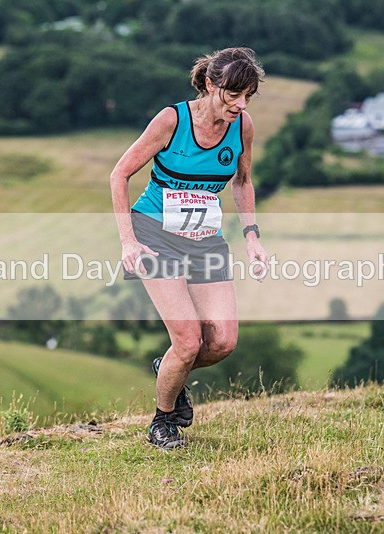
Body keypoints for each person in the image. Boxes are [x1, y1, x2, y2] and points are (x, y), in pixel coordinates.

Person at [110, 47, 268, 450]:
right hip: (155, 235)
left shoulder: (242, 126)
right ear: (211, 85)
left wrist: (252, 238)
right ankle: (162, 423)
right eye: (233, 95)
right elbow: (120, 174)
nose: (240, 104)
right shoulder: (172, 120)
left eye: (247, 95)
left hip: (204, 240)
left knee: (222, 341)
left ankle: (169, 369)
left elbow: (242, 181)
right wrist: (128, 241)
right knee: (187, 340)